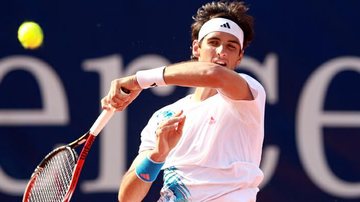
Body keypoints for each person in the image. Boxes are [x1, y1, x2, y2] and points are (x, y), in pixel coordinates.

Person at [101, 1, 266, 201]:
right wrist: (158, 155)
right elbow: (127, 197)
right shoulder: (163, 117)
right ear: (197, 48)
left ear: (239, 57)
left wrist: (139, 81)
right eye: (213, 42)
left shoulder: (249, 92)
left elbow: (214, 74)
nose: (221, 51)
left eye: (231, 46)